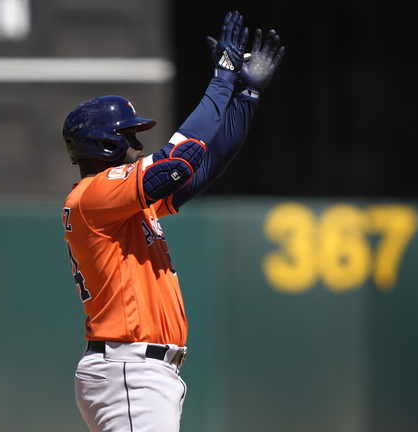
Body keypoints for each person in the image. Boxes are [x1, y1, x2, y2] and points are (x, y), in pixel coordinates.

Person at [61, 11, 284, 432]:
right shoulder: (95, 194)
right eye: (127, 136)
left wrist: (245, 99)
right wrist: (222, 79)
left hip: (141, 371)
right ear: (103, 143)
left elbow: (205, 165)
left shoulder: (120, 206)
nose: (136, 144)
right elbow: (177, 162)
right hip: (130, 367)